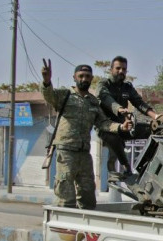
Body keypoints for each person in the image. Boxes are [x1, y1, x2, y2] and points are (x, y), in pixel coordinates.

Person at [40, 59, 133, 209]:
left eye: (88, 76)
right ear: (74, 77)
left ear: (91, 79)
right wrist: (46, 81)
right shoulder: (65, 95)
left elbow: (104, 123)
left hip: (84, 154)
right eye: (81, 75)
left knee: (88, 196)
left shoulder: (93, 102)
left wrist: (121, 127)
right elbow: (49, 95)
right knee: (66, 196)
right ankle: (67, 227)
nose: (84, 79)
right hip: (66, 152)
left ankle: (84, 227)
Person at [96, 56, 160, 181]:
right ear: (111, 69)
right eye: (118, 68)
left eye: (124, 69)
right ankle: (125, 168)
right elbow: (105, 98)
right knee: (114, 137)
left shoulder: (127, 87)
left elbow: (139, 103)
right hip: (106, 127)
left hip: (125, 126)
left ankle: (147, 167)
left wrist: (156, 116)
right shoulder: (103, 84)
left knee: (153, 130)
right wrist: (119, 109)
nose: (121, 71)